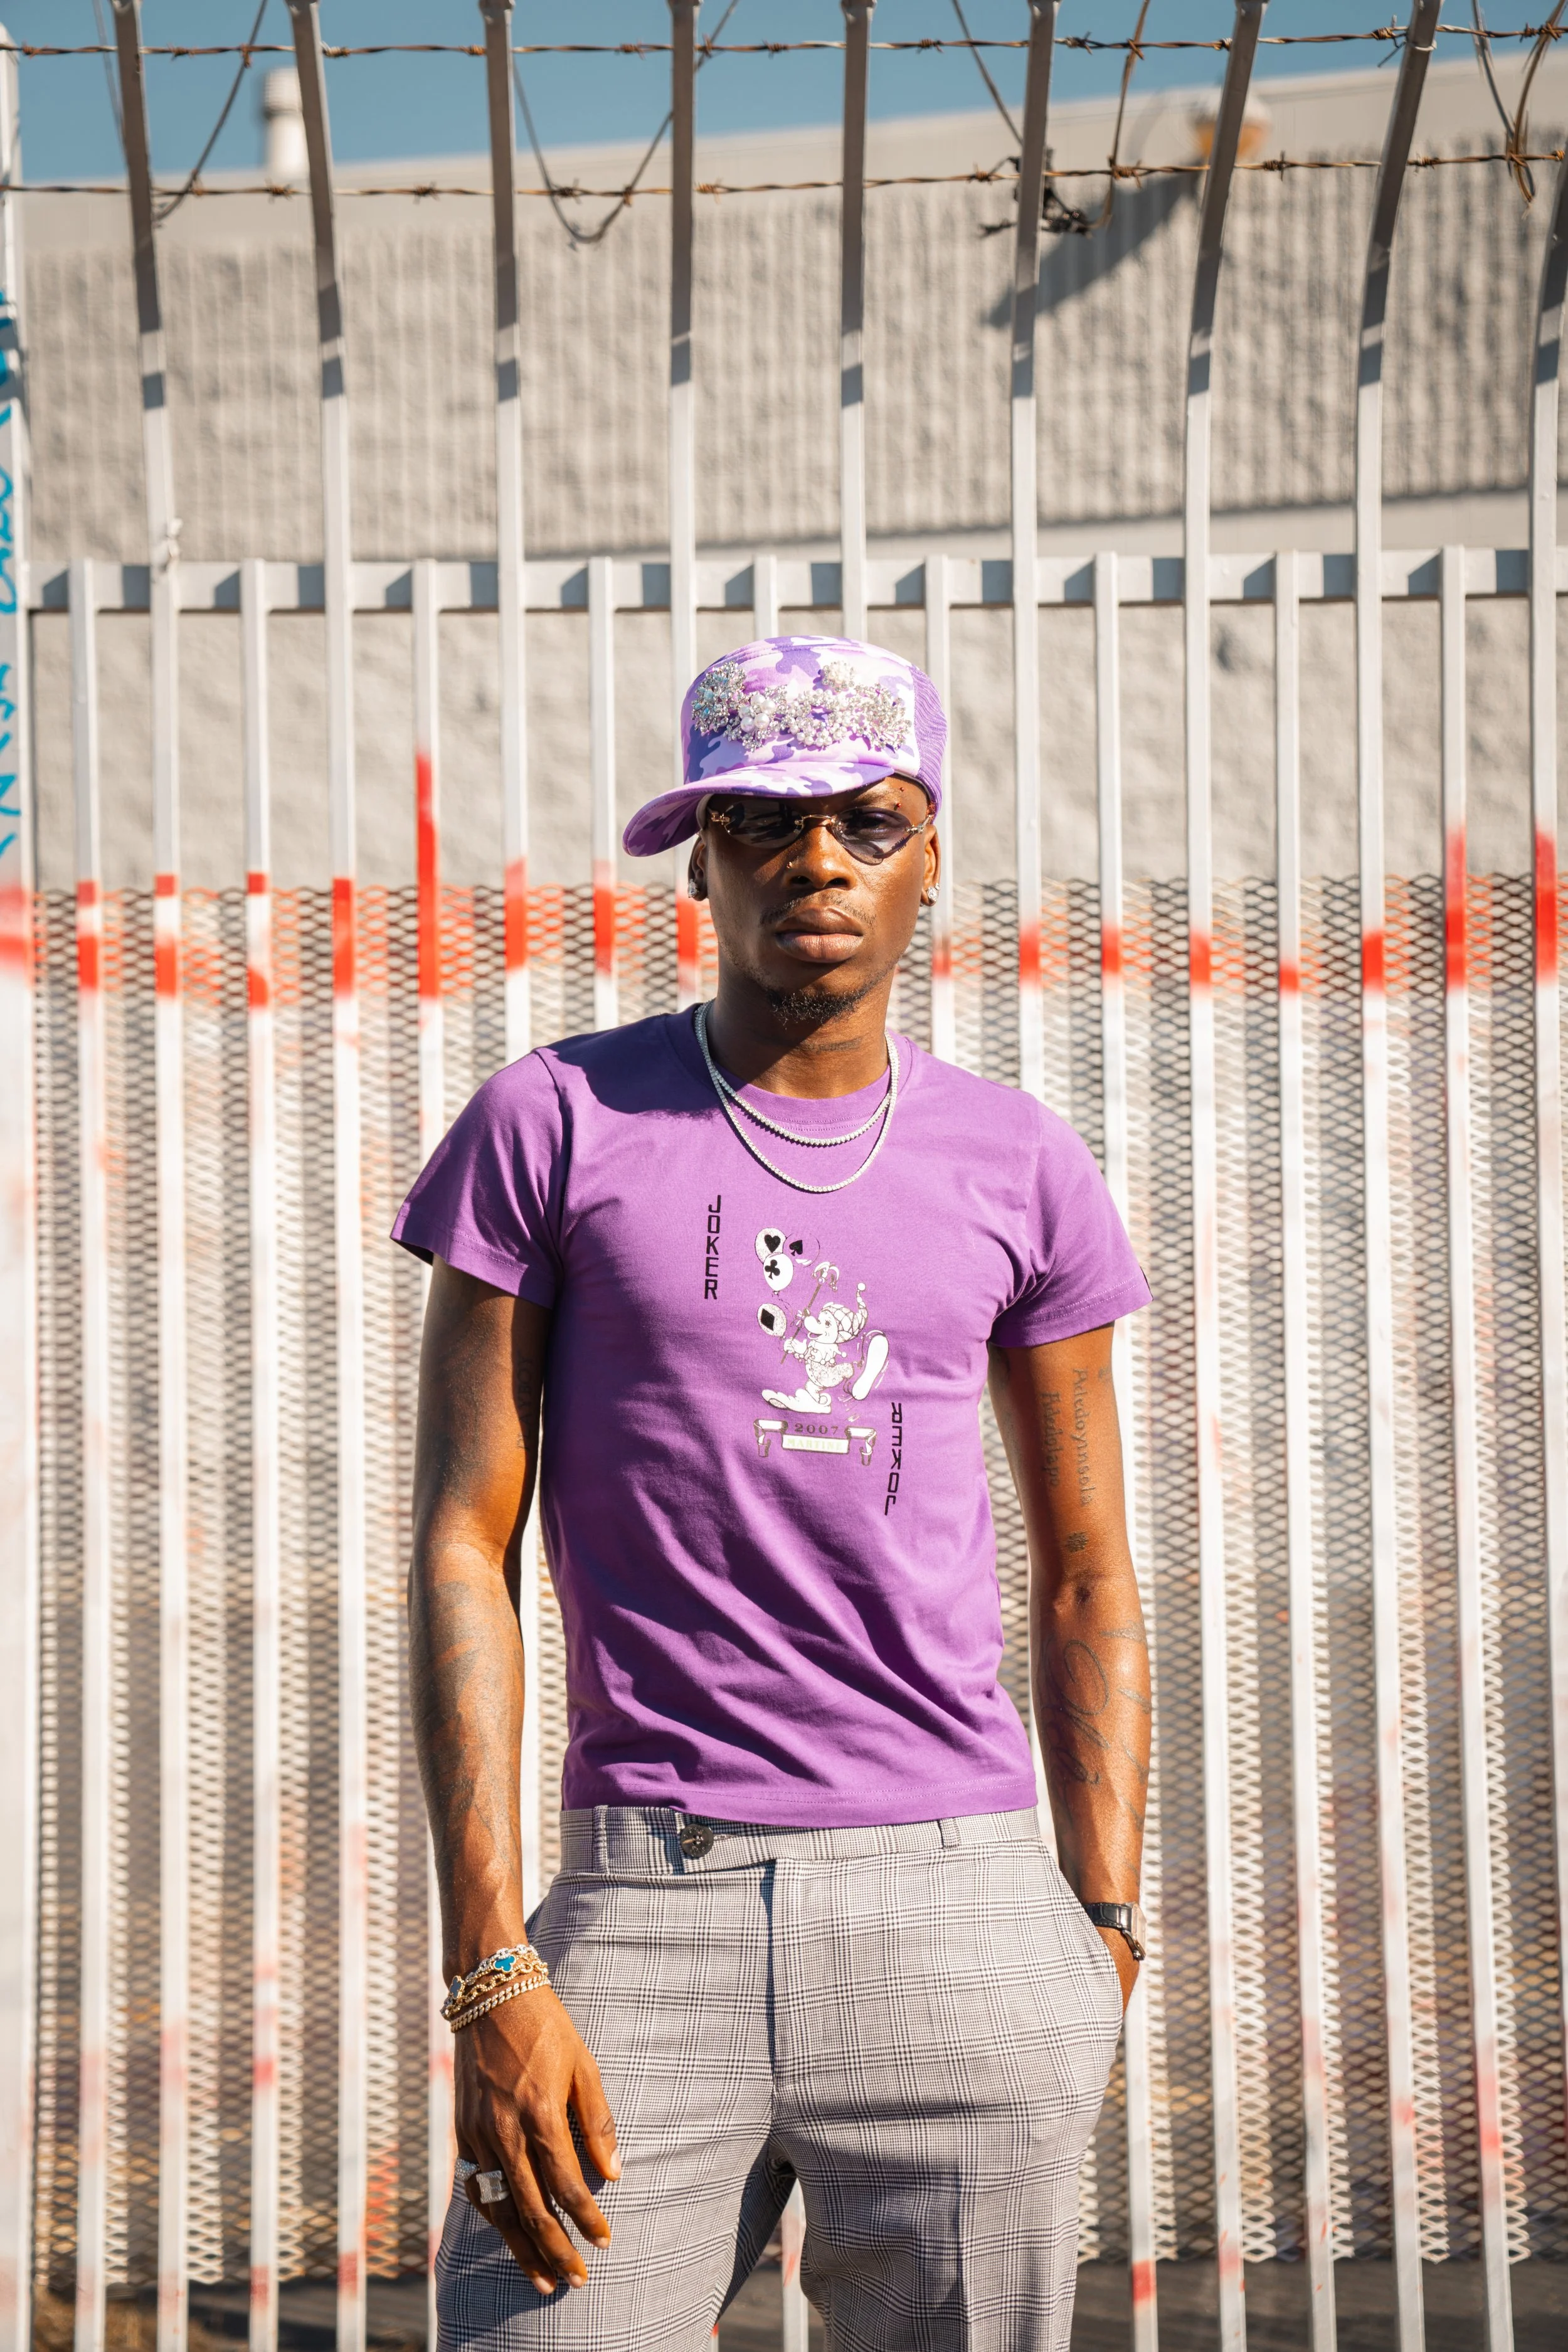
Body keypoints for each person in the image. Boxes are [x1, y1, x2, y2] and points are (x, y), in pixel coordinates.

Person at [398, 633, 1152, 2352]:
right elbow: (464, 1541)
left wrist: (1094, 1931)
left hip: (958, 1905)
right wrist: (491, 1965)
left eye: (864, 824)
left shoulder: (1019, 1159)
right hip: (645, 1899)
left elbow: (1088, 1569)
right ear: (702, 856)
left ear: (930, 847)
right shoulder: (554, 1122)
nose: (815, 863)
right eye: (761, 822)